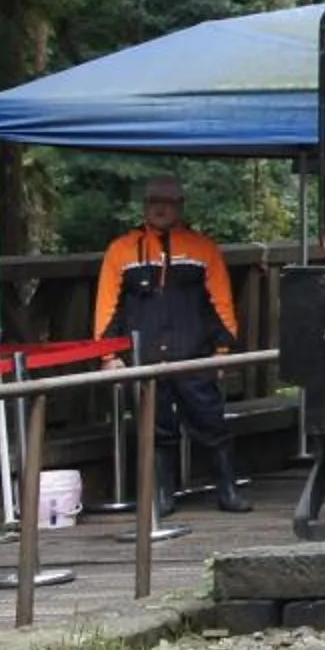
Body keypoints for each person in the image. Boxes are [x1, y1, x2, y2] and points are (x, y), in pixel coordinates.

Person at [92, 175, 250, 514]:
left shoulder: (203, 248)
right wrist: (108, 355)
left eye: (168, 201)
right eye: (154, 201)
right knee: (155, 426)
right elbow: (106, 306)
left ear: (180, 206)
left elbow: (221, 302)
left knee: (211, 422)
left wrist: (222, 351)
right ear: (144, 206)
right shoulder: (121, 250)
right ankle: (163, 495)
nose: (160, 208)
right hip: (144, 355)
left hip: (194, 354)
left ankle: (228, 490)